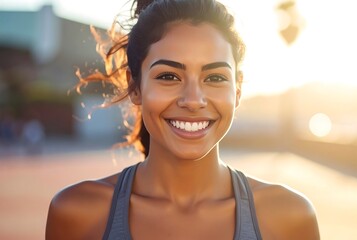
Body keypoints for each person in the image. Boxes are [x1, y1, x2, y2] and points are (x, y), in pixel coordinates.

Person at [46, 0, 320, 239]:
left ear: (237, 90)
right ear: (135, 87)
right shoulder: (76, 213)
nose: (193, 100)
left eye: (214, 78)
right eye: (168, 76)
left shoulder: (290, 217)